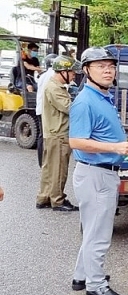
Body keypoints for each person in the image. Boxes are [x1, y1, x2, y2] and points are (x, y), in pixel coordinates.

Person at [69, 47, 128, 295]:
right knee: (99, 233)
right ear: (86, 71)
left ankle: (81, 276)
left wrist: (125, 146)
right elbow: (76, 141)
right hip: (96, 174)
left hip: (102, 172)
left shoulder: (103, 97)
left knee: (93, 229)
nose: (108, 70)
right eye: (100, 66)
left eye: (110, 66)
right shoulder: (85, 102)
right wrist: (115, 147)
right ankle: (95, 286)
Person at [36, 56, 81, 212]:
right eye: (72, 72)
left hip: (53, 133)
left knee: (49, 168)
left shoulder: (55, 86)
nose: (74, 74)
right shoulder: (55, 88)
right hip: (59, 134)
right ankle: (57, 200)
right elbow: (70, 109)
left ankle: (44, 197)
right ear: (63, 72)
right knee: (58, 169)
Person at [35, 53, 59, 168]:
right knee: (49, 136)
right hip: (47, 110)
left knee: (42, 135)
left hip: (40, 109)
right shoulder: (53, 75)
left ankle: (42, 162)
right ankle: (48, 162)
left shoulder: (43, 75)